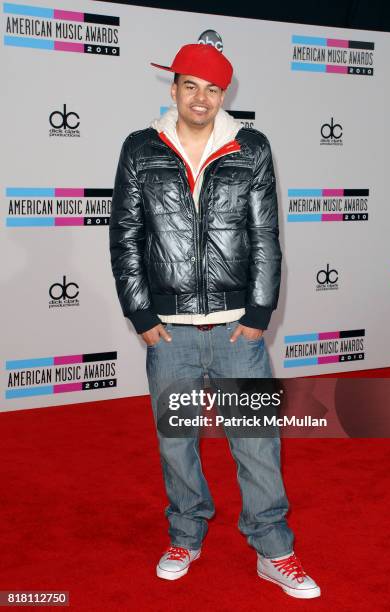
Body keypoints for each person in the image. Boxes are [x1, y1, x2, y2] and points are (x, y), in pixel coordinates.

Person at [109, 43, 320, 599]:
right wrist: (140, 312)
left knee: (256, 443)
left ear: (223, 96)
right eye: (190, 86)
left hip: (237, 332)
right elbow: (125, 237)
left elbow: (266, 237)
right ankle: (185, 533)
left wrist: (258, 313)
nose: (200, 98)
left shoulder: (249, 147)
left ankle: (274, 548)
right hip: (168, 329)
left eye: (212, 89)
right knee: (176, 442)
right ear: (174, 88)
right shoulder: (139, 149)